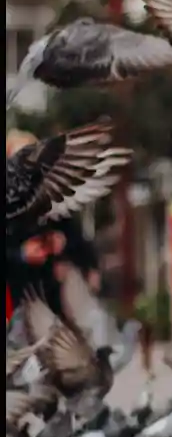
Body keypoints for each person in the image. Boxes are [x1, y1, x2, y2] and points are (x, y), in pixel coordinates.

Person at [6, 129, 101, 318]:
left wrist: (62, 244)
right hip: (15, 302)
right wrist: (22, 255)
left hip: (52, 303)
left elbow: (79, 243)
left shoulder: (51, 204)